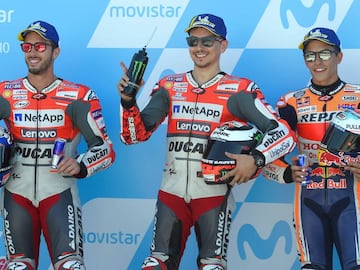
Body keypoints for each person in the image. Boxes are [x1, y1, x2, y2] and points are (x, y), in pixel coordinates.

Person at [117, 14, 295, 270]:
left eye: (208, 41)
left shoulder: (239, 89)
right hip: (171, 195)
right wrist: (128, 101)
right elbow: (133, 136)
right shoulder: (169, 85)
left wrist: (256, 159)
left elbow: (284, 133)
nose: (199, 48)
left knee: (212, 266)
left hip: (213, 197)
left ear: (223, 45)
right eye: (193, 41)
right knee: (156, 265)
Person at [0, 20, 116, 270]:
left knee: (70, 266)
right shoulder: (5, 93)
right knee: (17, 267)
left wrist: (81, 165)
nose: (32, 52)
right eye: (27, 46)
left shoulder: (79, 96)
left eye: (40, 46)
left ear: (56, 51)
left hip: (58, 194)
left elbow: (105, 149)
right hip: (15, 193)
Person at [262, 27, 360, 269]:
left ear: (339, 56)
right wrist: (286, 172)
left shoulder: (358, 96)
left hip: (352, 198)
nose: (317, 61)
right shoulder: (291, 101)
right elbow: (270, 150)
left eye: (325, 54)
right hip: (309, 198)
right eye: (310, 55)